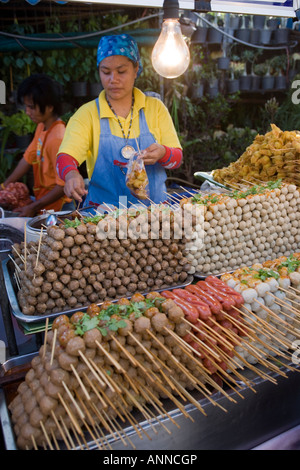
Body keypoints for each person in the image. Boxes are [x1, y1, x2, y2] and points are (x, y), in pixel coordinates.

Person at [56, 34, 183, 208]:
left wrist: (163, 153)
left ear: (136, 68)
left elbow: (176, 159)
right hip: (103, 219)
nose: (113, 79)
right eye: (106, 72)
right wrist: (71, 174)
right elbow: (65, 157)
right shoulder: (86, 114)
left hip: (154, 217)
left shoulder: (155, 109)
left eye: (121, 71)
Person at [1, 73, 73, 217]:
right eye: (26, 107)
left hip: (59, 208)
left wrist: (33, 207)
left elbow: (62, 185)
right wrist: (4, 186)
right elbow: (27, 158)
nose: (27, 112)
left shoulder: (58, 138)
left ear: (50, 107)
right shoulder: (42, 127)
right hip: (44, 204)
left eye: (32, 107)